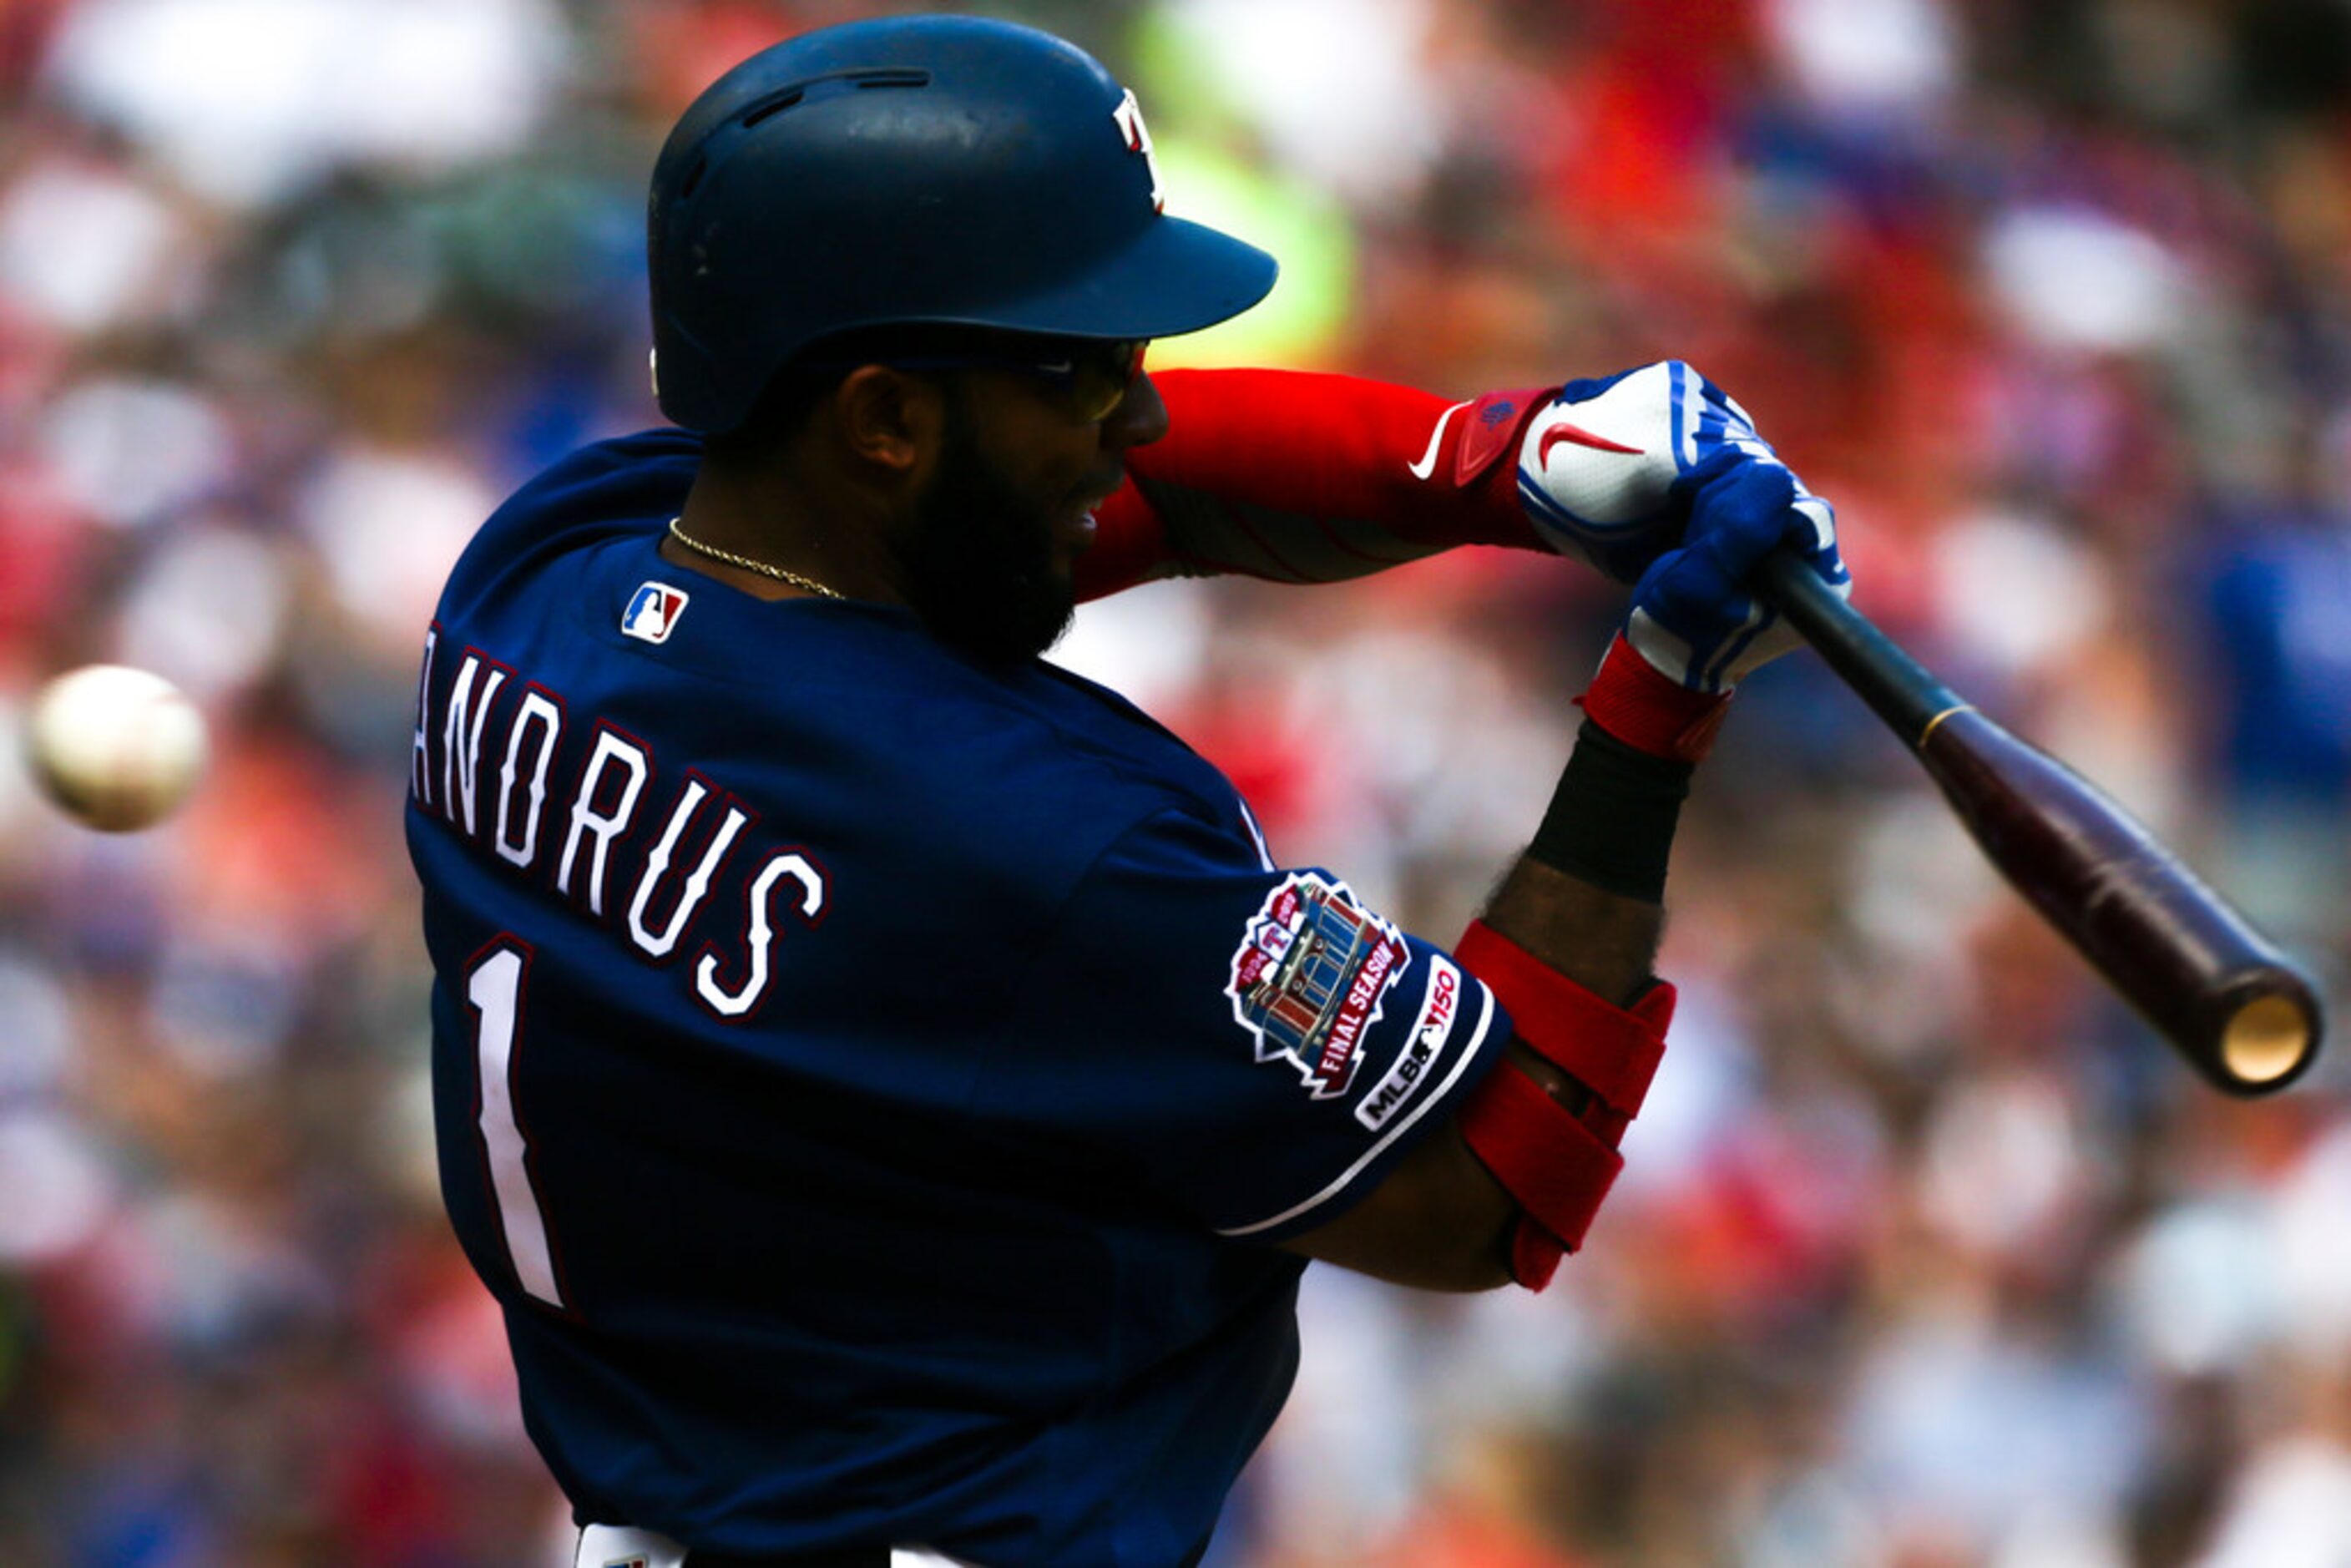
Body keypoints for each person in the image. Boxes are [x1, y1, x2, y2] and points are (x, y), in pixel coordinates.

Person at [404, 14, 1848, 1568]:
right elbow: (1492, 1182)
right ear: (883, 418)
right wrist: (1660, 700)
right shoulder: (1044, 841)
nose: (1140, 410)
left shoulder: (545, 575)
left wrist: (1504, 456)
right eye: (1081, 372)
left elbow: (1111, 498)